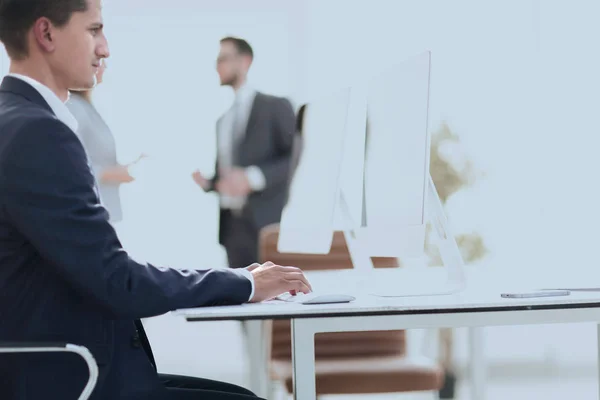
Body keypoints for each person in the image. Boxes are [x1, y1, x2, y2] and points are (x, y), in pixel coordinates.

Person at [0, 1, 311, 399]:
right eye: (94, 30)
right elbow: (117, 280)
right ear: (46, 34)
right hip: (73, 374)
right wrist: (244, 282)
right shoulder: (37, 133)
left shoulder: (19, 120)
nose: (105, 47)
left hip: (71, 361)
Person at [192, 37, 296, 270]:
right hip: (231, 229)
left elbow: (295, 158)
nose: (218, 66)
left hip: (266, 226)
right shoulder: (222, 120)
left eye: (223, 59)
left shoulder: (275, 106)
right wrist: (210, 183)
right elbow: (226, 176)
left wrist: (253, 178)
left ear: (245, 61)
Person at [67, 58, 146, 223]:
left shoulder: (89, 107)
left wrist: (129, 167)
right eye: (99, 60)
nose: (105, 65)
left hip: (106, 213)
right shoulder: (73, 107)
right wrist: (116, 174)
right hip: (91, 215)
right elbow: (71, 167)